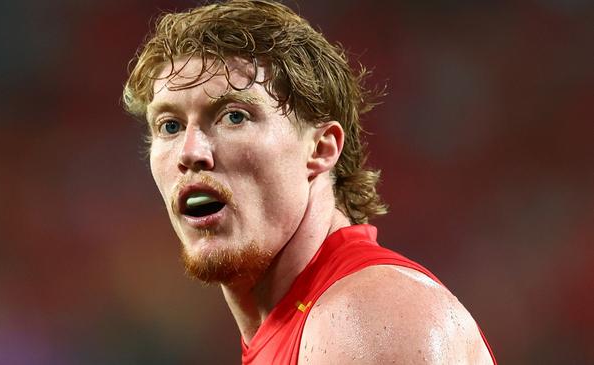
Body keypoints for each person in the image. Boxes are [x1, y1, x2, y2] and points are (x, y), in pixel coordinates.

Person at [122, 0, 496, 363]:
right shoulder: (302, 323)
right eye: (169, 126)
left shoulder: (362, 318)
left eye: (233, 117)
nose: (190, 152)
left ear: (320, 149)